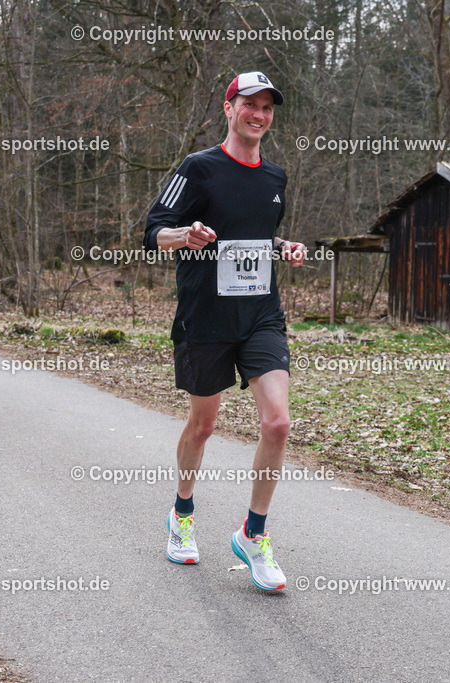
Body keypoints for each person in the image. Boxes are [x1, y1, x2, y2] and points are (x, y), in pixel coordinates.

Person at [144, 71, 306, 591]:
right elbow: (153, 232)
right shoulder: (199, 168)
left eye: (267, 107)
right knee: (203, 427)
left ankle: (253, 535)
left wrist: (285, 248)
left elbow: (257, 236)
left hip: (260, 315)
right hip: (206, 318)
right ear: (228, 108)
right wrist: (183, 235)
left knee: (278, 423)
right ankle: (182, 516)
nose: (258, 114)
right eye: (249, 105)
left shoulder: (275, 178)